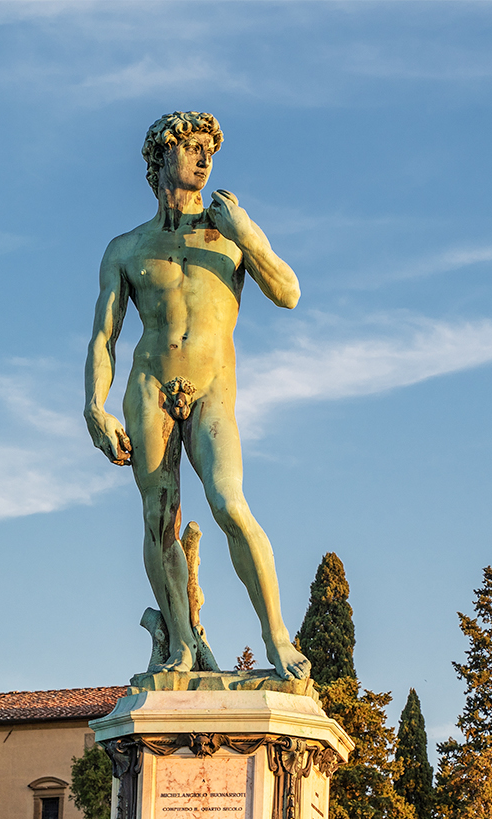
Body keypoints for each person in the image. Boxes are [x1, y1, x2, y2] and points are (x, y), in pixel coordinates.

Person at [83, 111, 310, 681]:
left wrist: (247, 232)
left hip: (211, 387)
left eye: (210, 149)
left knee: (230, 503)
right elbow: (103, 337)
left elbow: (288, 293)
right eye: (191, 147)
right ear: (161, 158)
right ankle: (181, 644)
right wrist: (94, 407)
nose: (204, 158)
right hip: (149, 385)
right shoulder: (127, 247)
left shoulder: (229, 235)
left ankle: (278, 639)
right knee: (158, 519)